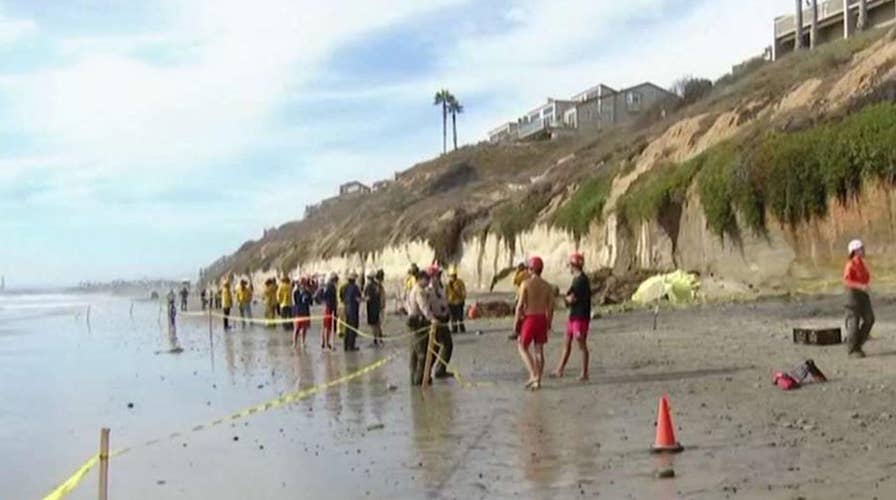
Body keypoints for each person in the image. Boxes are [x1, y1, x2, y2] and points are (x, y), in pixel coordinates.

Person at [515, 256, 553, 390]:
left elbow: (519, 307)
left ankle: (533, 374)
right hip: (542, 318)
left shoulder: (525, 284)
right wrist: (549, 323)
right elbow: (550, 308)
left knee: (522, 346)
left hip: (530, 318)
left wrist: (516, 325)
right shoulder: (548, 286)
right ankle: (538, 380)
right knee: (539, 350)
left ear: (531, 269)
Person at [552, 252, 591, 381]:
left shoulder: (581, 281)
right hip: (574, 316)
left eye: (570, 265)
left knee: (581, 344)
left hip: (580, 317)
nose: (569, 268)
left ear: (574, 266)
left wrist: (565, 300)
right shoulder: (577, 279)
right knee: (567, 342)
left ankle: (584, 372)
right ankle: (560, 369)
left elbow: (571, 298)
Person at [844, 239, 874, 358]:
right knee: (853, 322)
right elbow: (846, 281)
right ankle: (852, 349)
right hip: (852, 295)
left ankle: (858, 344)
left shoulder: (861, 263)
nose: (863, 250)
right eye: (861, 249)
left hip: (863, 294)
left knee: (869, 319)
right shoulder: (850, 264)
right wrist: (860, 286)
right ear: (855, 251)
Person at [407, 270, 433, 385]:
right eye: (427, 279)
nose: (428, 282)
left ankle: (413, 379)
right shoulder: (419, 291)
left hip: (411, 321)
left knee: (414, 353)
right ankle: (420, 379)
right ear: (421, 279)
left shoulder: (413, 289)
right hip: (418, 322)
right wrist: (432, 319)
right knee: (422, 353)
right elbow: (424, 307)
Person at [428, 265, 454, 379]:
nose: (439, 277)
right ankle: (432, 371)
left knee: (445, 345)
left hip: (443, 318)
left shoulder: (439, 287)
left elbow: (443, 301)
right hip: (436, 320)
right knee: (438, 346)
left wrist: (447, 311)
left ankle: (439, 369)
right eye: (437, 275)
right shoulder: (428, 290)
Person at [509, 261, 530, 340]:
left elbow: (515, 281)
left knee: (519, 313)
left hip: (521, 296)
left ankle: (517, 331)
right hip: (527, 296)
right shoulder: (529, 274)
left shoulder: (522, 274)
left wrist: (517, 272)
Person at [342, 272, 363, 351]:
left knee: (347, 327)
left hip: (346, 308)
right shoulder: (355, 287)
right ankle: (351, 346)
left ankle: (346, 345)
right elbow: (358, 298)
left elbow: (342, 297)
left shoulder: (344, 287)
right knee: (353, 328)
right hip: (353, 309)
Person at [364, 271, 384, 346]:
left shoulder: (369, 286)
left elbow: (368, 297)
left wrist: (362, 300)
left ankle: (375, 339)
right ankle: (380, 338)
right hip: (377, 306)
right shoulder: (378, 285)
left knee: (373, 324)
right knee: (377, 323)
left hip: (371, 307)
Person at [293, 276, 314, 348]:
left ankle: (303, 342)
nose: (303, 285)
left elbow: (311, 302)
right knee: (297, 328)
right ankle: (294, 343)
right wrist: (302, 295)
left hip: (306, 312)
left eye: (304, 283)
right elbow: (295, 302)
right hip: (298, 312)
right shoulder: (296, 292)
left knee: (304, 328)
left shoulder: (308, 292)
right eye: (301, 283)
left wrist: (308, 297)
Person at [320, 273, 339, 350]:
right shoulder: (330, 286)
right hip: (330, 308)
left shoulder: (327, 286)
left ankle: (324, 342)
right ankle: (327, 342)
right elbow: (328, 297)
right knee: (328, 326)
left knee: (325, 326)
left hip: (328, 307)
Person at [446, 267, 467, 334]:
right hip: (451, 303)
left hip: (459, 302)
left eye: (453, 276)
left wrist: (462, 298)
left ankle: (462, 328)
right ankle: (454, 329)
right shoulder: (448, 284)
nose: (452, 278)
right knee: (453, 317)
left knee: (460, 316)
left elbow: (463, 292)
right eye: (451, 276)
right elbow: (446, 293)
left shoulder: (460, 282)